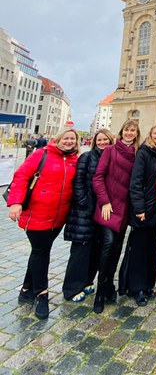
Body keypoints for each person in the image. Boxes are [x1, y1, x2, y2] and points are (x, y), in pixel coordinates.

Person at [8, 127, 80, 319]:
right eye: (66, 138)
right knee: (41, 251)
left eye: (72, 138)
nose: (69, 141)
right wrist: (15, 202)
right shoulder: (42, 155)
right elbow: (21, 176)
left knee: (39, 251)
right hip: (36, 214)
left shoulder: (75, 160)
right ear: (58, 139)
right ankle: (41, 294)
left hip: (59, 217)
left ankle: (26, 290)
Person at [92, 119, 140, 313]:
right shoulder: (110, 150)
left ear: (137, 134)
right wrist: (104, 201)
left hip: (125, 208)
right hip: (108, 207)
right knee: (108, 245)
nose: (129, 133)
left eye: (133, 131)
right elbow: (98, 177)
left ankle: (110, 286)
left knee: (117, 248)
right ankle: (100, 291)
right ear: (121, 132)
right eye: (127, 130)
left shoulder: (137, 154)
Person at [62, 128, 115, 302]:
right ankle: (71, 288)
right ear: (95, 142)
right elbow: (78, 181)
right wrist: (84, 202)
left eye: (105, 140)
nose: (102, 143)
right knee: (80, 250)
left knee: (95, 248)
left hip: (101, 212)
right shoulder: (87, 157)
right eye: (99, 140)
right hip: (84, 211)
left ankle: (87, 282)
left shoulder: (111, 158)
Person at [128, 124, 156, 306]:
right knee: (138, 249)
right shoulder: (144, 153)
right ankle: (136, 288)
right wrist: (139, 209)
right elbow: (136, 182)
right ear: (150, 134)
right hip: (143, 209)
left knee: (152, 248)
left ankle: (147, 285)